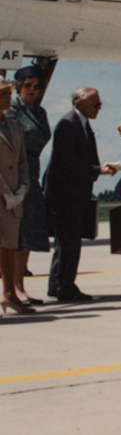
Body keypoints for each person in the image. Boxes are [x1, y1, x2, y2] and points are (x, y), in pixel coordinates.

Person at [44, 87, 115, 302]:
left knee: (65, 241)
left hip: (71, 193)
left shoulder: (80, 124)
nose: (99, 108)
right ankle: (65, 287)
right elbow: (68, 163)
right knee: (69, 242)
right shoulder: (69, 124)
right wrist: (97, 170)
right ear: (80, 102)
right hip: (65, 195)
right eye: (96, 104)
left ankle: (57, 284)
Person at [5, 66, 51, 305]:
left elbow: (42, 137)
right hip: (13, 170)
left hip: (32, 168)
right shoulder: (11, 111)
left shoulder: (40, 112)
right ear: (18, 86)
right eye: (28, 86)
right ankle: (10, 287)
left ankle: (20, 285)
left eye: (36, 86)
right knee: (15, 230)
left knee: (28, 230)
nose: (32, 90)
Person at [0, 78, 32, 315]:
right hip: (3, 194)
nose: (8, 98)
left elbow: (22, 161)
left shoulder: (13, 126)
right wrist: (5, 191)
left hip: (13, 198)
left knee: (9, 246)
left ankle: (9, 293)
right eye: (3, 94)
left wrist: (22, 188)